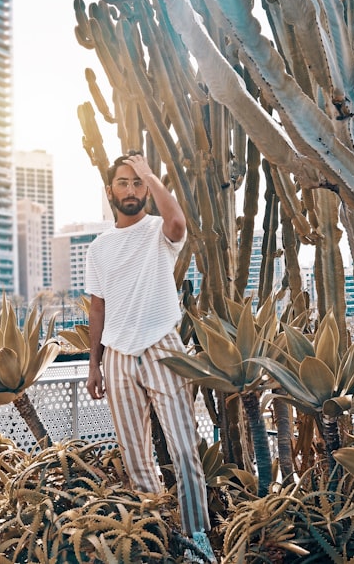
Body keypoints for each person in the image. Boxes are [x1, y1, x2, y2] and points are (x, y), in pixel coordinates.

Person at [85, 152, 215, 563]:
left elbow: (180, 223)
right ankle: (159, 537)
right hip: (117, 355)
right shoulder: (99, 248)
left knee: (184, 451)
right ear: (110, 191)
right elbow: (97, 309)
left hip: (162, 346)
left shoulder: (160, 230)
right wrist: (94, 364)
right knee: (136, 456)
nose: (131, 190)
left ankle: (198, 539)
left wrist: (149, 173)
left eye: (137, 183)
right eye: (123, 182)